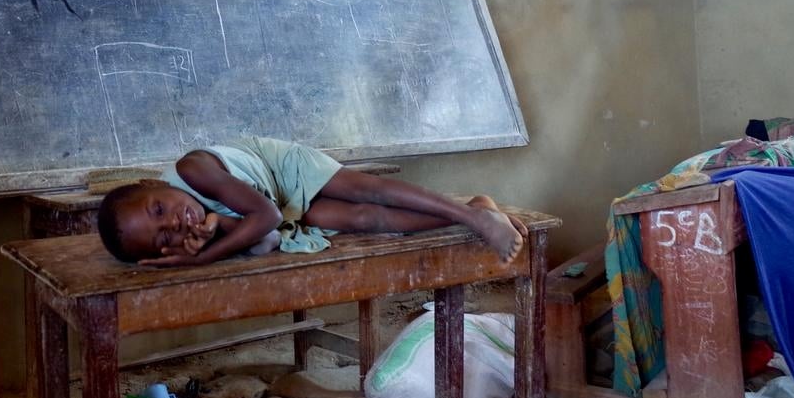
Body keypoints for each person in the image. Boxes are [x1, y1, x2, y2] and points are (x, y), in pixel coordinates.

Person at [97, 136, 527, 268]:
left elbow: (265, 215)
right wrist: (216, 232)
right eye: (163, 239)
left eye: (158, 210)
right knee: (365, 219)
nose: (174, 223)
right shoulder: (196, 227)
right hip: (276, 203)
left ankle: (471, 216)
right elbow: (264, 238)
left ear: (152, 184)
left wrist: (202, 258)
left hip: (280, 169)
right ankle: (477, 210)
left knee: (367, 190)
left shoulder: (192, 170)